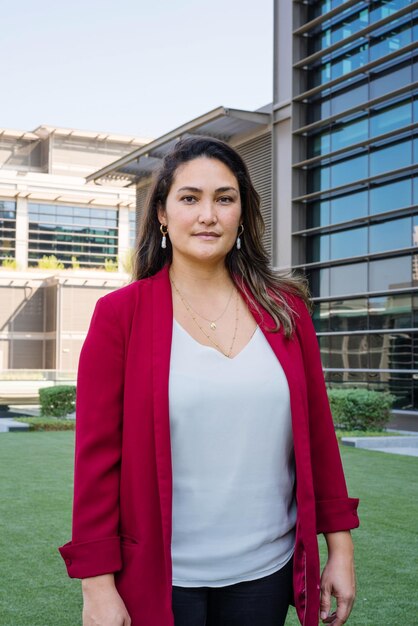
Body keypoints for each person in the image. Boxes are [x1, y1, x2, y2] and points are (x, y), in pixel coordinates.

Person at [58, 136, 359, 626]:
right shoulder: (120, 316)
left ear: (242, 212)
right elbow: (96, 460)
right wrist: (97, 587)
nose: (208, 215)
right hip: (160, 576)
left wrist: (340, 549)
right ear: (161, 213)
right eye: (189, 197)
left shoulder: (286, 312)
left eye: (224, 198)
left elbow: (319, 439)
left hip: (267, 571)